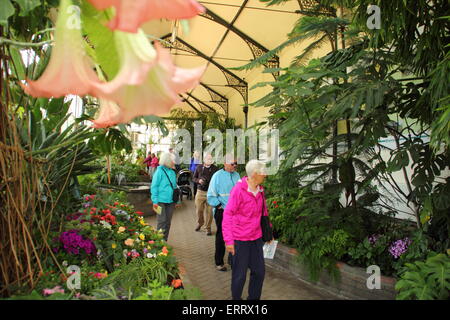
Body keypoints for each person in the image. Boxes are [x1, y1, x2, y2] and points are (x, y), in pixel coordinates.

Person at [222, 159, 271, 300]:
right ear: (255, 174)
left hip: (256, 238)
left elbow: (264, 213)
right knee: (239, 275)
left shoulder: (260, 190)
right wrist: (229, 241)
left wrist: (269, 232)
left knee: (259, 272)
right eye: (263, 172)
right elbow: (228, 215)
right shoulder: (239, 190)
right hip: (240, 240)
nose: (265, 175)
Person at [207, 154, 240, 272]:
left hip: (236, 212)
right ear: (225, 163)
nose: (235, 166)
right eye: (233, 163)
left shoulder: (237, 175)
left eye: (236, 163)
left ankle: (233, 260)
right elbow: (210, 195)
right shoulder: (217, 176)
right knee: (221, 236)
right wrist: (220, 206)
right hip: (222, 211)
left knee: (236, 236)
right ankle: (219, 262)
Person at [151, 152, 180, 241]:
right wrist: (155, 201)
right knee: (161, 221)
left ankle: (164, 240)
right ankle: (159, 242)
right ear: (167, 161)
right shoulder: (159, 171)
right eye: (172, 160)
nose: (174, 162)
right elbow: (154, 187)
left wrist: (177, 200)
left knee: (168, 222)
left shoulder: (172, 172)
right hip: (160, 201)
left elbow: (175, 187)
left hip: (171, 201)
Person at [193, 153, 218, 236]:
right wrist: (199, 181)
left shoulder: (215, 168)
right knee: (199, 210)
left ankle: (208, 228)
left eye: (211, 159)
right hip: (200, 192)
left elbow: (218, 180)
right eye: (208, 158)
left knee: (210, 212)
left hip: (211, 193)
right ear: (204, 160)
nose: (209, 160)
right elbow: (193, 178)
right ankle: (200, 223)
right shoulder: (199, 167)